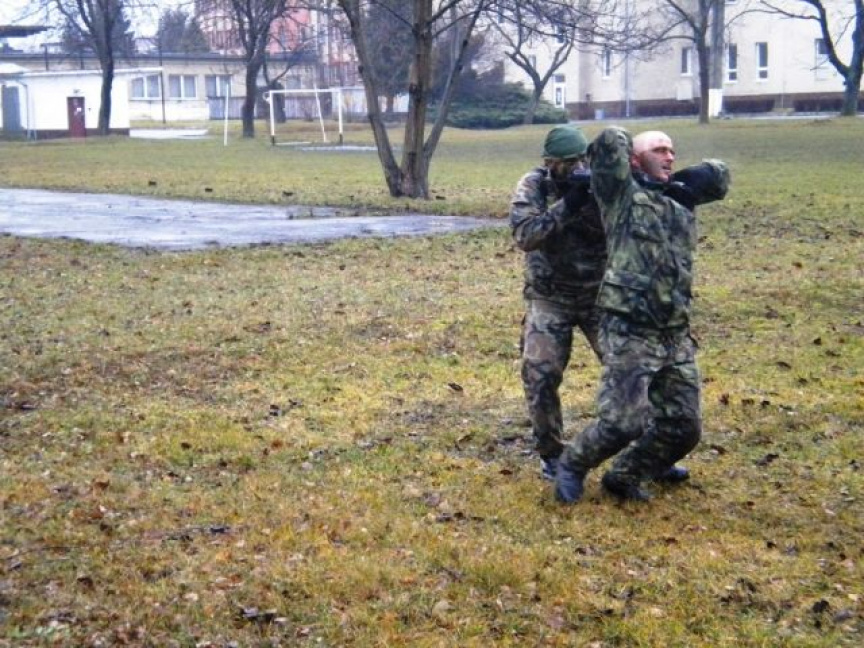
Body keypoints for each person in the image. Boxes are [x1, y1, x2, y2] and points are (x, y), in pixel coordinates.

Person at [555, 127, 730, 503]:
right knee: (623, 422)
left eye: (672, 150)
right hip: (630, 328)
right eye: (658, 150)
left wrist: (690, 179)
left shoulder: (679, 199)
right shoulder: (620, 195)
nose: (669, 156)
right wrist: (631, 153)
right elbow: (608, 143)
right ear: (634, 159)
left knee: (684, 427)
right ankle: (572, 464)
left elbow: (720, 178)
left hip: (674, 331)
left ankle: (625, 475)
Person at [510, 125, 606, 481]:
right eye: (568, 162)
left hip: (599, 295)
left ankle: (652, 449)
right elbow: (526, 235)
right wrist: (568, 205)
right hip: (550, 296)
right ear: (550, 162)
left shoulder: (603, 182)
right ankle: (552, 454)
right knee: (540, 373)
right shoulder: (534, 185)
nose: (577, 167)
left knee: (633, 369)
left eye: (582, 159)